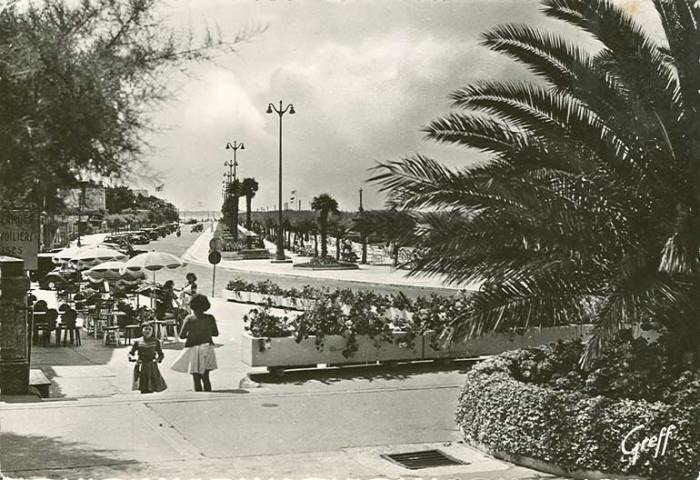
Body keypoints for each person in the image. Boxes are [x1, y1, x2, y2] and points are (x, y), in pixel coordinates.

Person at [170, 294, 218, 392]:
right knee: (206, 377)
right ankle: (209, 396)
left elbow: (181, 336)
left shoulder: (189, 318)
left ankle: (198, 398)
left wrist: (192, 334)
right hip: (207, 347)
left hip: (193, 348)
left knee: (196, 377)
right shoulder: (210, 318)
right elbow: (215, 333)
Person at [128, 323, 167, 394]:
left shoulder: (156, 341)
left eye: (150, 329)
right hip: (141, 366)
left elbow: (161, 354)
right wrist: (131, 357)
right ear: (142, 330)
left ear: (152, 331)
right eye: (146, 329)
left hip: (152, 367)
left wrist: (158, 359)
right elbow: (131, 353)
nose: (148, 331)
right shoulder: (137, 342)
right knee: (143, 386)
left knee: (151, 386)